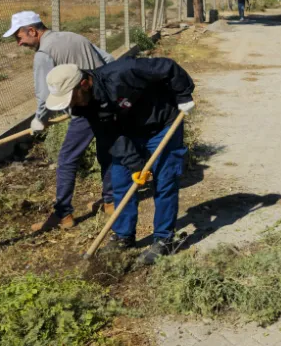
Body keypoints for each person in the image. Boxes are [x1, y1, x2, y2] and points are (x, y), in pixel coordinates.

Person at [43, 57, 195, 264]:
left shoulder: (124, 71)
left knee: (165, 181)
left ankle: (164, 239)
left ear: (84, 84)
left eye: (71, 97)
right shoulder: (83, 106)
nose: (69, 104)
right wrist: (136, 164)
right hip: (127, 133)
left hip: (162, 124)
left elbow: (168, 67)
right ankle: (124, 236)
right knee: (121, 182)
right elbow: (108, 135)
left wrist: (183, 95)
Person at [3, 11, 116, 233]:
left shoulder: (44, 53)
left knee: (66, 159)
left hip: (83, 110)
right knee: (107, 152)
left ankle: (63, 214)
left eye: (19, 37)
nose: (19, 44)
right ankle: (111, 202)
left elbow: (45, 95)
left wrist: (39, 120)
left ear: (32, 31)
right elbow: (110, 60)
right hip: (105, 101)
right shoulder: (75, 37)